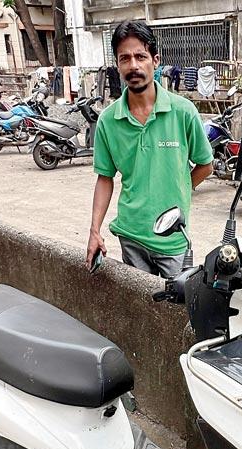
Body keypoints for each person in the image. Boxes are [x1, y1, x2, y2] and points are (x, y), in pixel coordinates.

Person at [87, 20, 213, 279]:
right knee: (140, 311)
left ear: (155, 61)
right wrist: (94, 230)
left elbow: (205, 165)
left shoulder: (183, 112)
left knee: (176, 311)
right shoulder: (108, 121)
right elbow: (105, 177)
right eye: (125, 58)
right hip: (131, 237)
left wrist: (179, 193)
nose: (133, 65)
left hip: (173, 240)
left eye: (140, 56)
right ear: (118, 65)